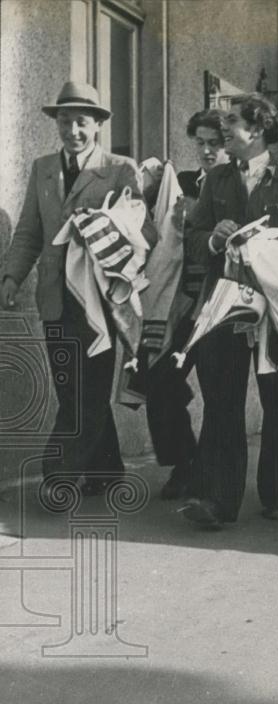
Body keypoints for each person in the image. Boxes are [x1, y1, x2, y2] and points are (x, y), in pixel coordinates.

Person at [0, 81, 156, 505]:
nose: (73, 131)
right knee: (71, 388)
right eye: (65, 122)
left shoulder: (121, 168)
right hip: (55, 298)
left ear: (98, 126)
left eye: (82, 123)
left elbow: (144, 231)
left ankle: (59, 476)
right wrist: (11, 277)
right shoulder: (42, 167)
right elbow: (30, 231)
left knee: (89, 389)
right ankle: (107, 472)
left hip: (100, 301)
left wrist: (105, 226)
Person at [182, 93, 278, 528]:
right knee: (222, 403)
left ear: (257, 129)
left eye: (232, 123)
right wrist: (212, 238)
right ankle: (219, 502)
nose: (224, 131)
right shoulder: (217, 178)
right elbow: (193, 235)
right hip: (226, 302)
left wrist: (272, 244)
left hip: (277, 305)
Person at [141, 109, 230, 501]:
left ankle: (212, 476)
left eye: (216, 144)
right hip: (180, 301)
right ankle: (183, 460)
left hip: (221, 302)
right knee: (160, 380)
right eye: (202, 144)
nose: (208, 151)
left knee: (217, 392)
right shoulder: (183, 183)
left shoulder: (237, 185)